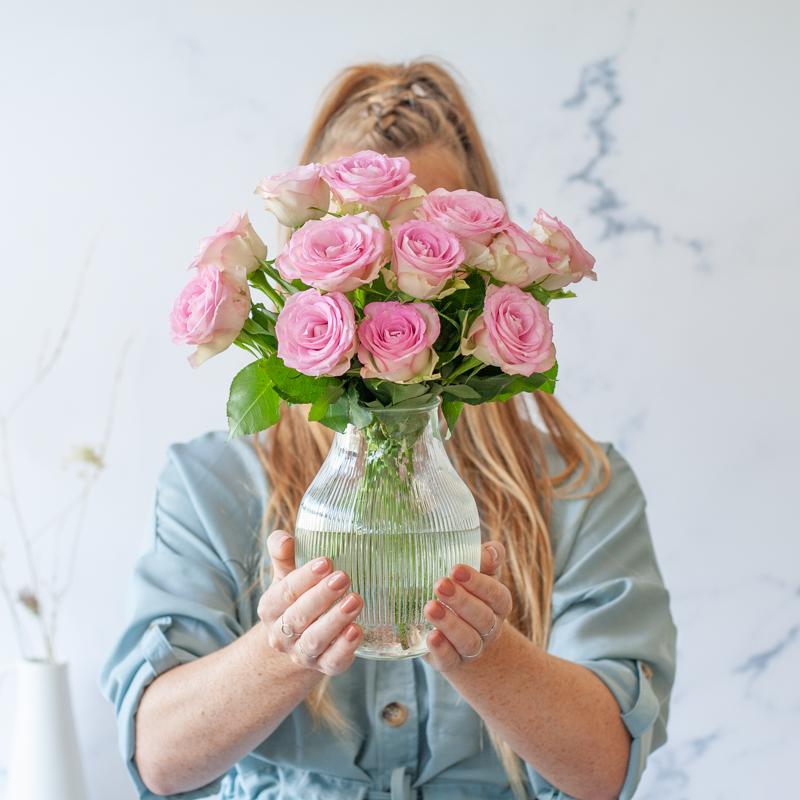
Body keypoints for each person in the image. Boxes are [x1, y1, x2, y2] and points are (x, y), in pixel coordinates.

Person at [100, 58, 677, 800]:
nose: (389, 297)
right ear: (306, 268)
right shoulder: (211, 485)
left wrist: (486, 655)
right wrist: (282, 653)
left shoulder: (581, 488)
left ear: (495, 273)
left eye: (428, 243)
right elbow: (158, 756)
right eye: (363, 246)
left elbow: (605, 770)